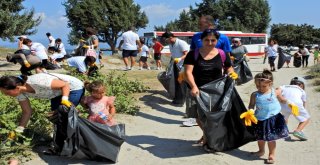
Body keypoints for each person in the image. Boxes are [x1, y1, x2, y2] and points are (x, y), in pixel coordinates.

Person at [0, 73, 84, 154]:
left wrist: (65, 98)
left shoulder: (38, 81)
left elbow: (65, 84)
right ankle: (65, 144)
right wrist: (20, 129)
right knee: (56, 119)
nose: (7, 95)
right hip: (56, 94)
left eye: (7, 93)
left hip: (73, 88)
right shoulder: (20, 93)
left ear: (17, 87)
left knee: (63, 117)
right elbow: (27, 111)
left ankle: (73, 143)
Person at [184, 29, 237, 144]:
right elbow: (188, 72)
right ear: (201, 40)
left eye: (213, 40)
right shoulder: (193, 54)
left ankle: (209, 137)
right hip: (196, 89)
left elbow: (228, 67)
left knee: (212, 116)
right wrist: (193, 86)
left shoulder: (222, 54)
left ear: (217, 41)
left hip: (215, 91)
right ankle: (207, 134)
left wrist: (231, 74)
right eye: (206, 40)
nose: (209, 43)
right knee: (198, 116)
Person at [248, 69, 289, 164]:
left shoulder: (274, 92)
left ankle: (271, 154)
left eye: (263, 86)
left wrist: (289, 103)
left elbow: (282, 100)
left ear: (270, 84)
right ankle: (261, 151)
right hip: (260, 119)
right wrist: (250, 110)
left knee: (271, 139)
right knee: (260, 138)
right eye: (258, 86)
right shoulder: (255, 94)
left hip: (272, 119)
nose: (260, 88)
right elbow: (251, 105)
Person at [162, 31, 189, 105]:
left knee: (181, 82)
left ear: (170, 37)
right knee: (177, 82)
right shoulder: (171, 45)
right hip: (175, 64)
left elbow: (187, 54)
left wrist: (180, 59)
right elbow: (173, 55)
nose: (166, 41)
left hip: (183, 65)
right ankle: (177, 98)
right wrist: (170, 64)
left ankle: (181, 100)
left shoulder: (181, 43)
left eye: (166, 40)